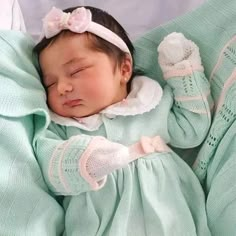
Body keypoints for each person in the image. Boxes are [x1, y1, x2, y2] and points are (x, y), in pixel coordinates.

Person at [33, 6, 211, 236]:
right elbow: (51, 171)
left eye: (76, 71)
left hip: (169, 216)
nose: (63, 88)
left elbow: (192, 129)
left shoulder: (150, 104)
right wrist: (85, 160)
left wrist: (182, 68)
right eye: (50, 83)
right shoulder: (63, 128)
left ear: (124, 69)